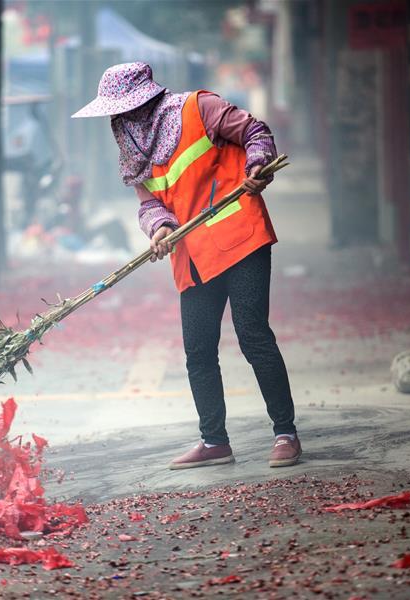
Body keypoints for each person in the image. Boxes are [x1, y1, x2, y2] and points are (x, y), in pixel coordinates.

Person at [72, 62, 299, 469]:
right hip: (193, 257)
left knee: (252, 334)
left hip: (240, 239)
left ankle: (286, 432)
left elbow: (255, 132)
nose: (119, 119)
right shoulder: (132, 151)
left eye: (123, 109)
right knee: (198, 351)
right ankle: (214, 441)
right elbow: (149, 204)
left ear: (143, 101)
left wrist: (256, 167)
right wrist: (159, 228)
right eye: (114, 113)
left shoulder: (199, 107)